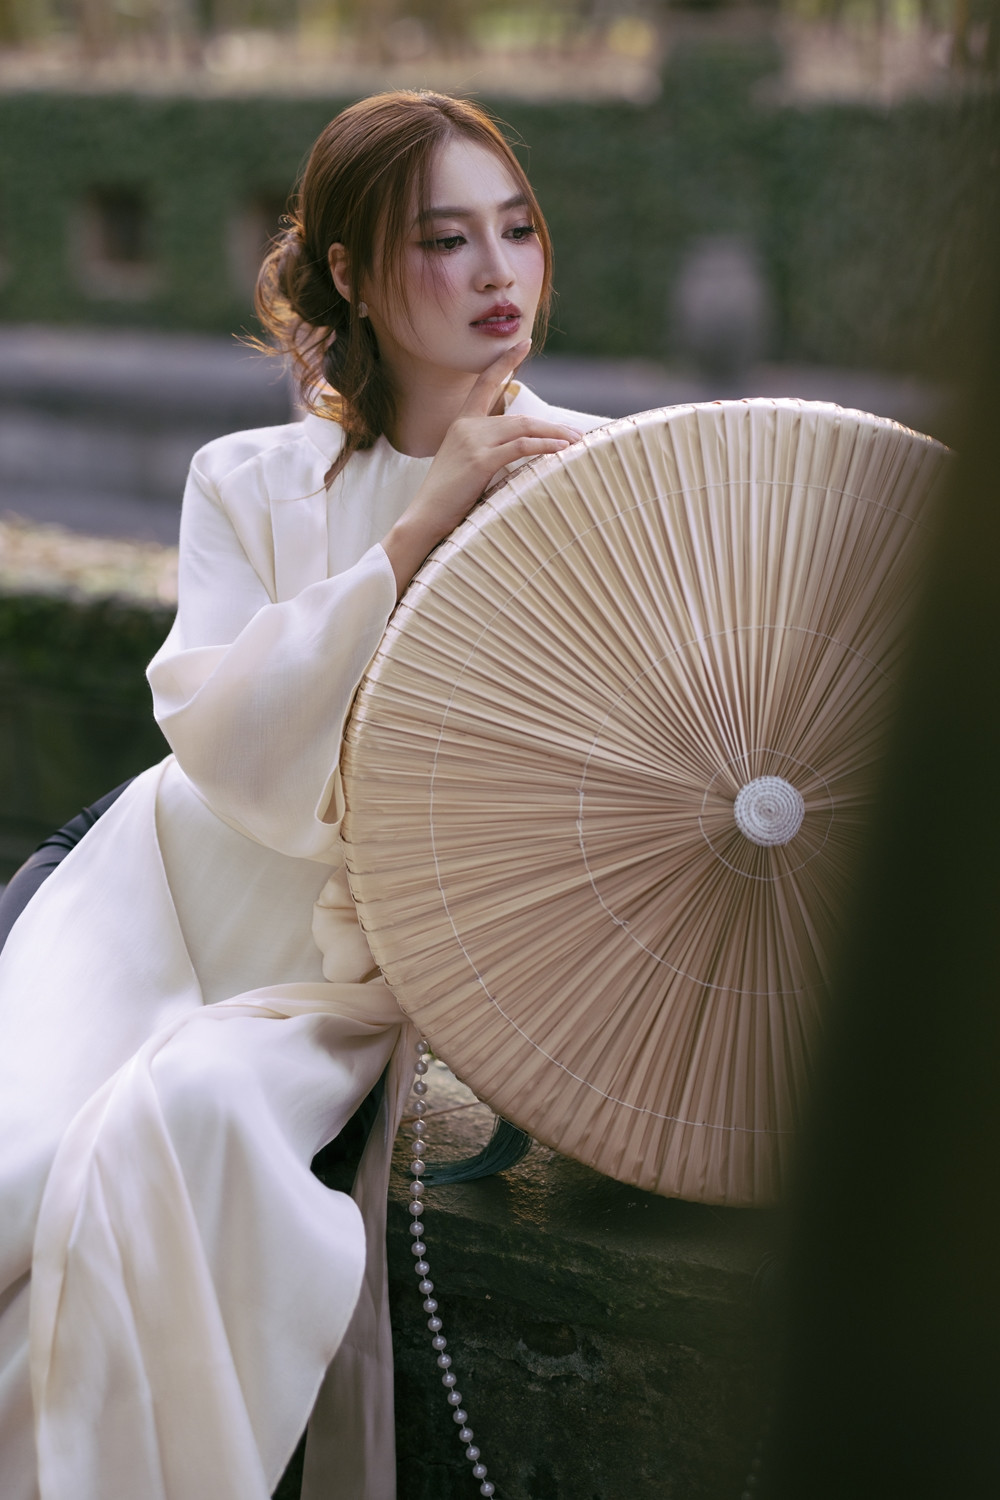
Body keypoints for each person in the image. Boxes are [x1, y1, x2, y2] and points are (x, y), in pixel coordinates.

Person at [0, 90, 608, 1500]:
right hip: (156, 885)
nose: (499, 272)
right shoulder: (246, 478)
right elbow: (223, 739)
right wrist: (416, 528)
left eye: (516, 229)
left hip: (340, 954)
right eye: (445, 241)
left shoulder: (600, 479)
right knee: (22, 1168)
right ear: (351, 273)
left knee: (177, 1134)